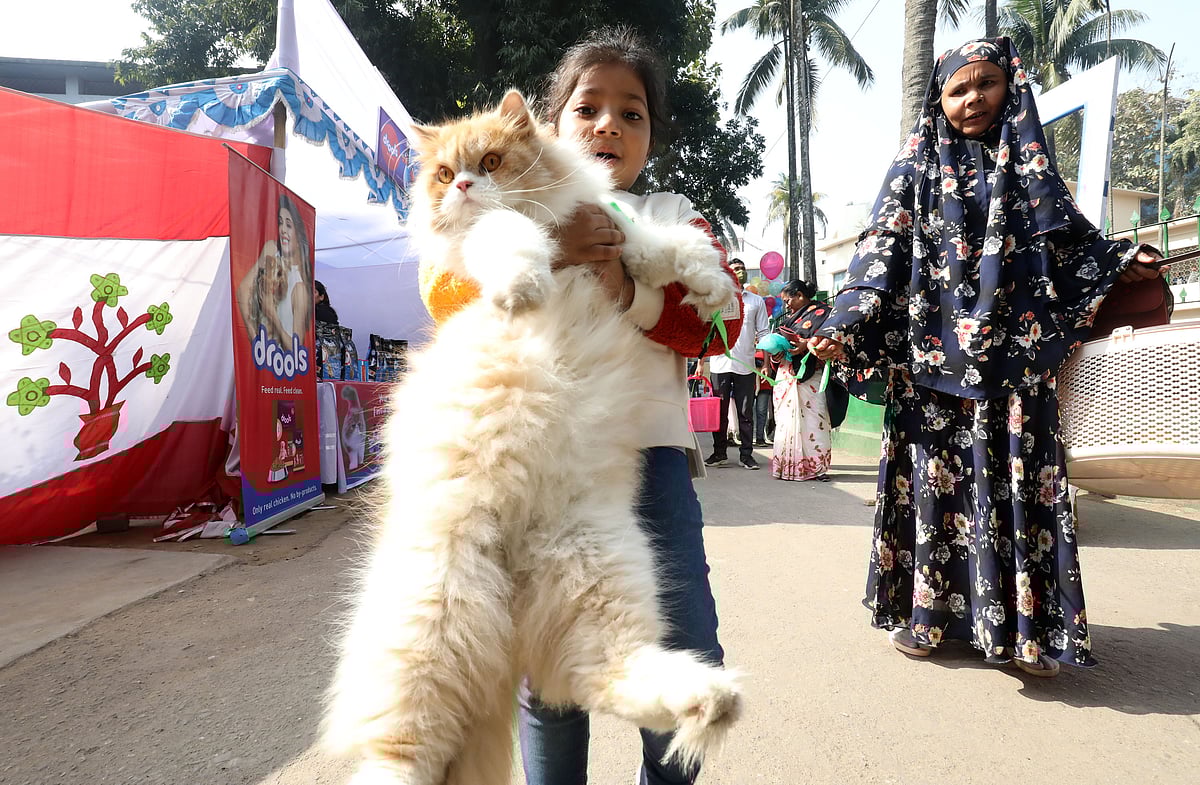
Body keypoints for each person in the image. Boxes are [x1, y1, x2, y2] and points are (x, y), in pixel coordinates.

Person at [414, 27, 744, 784]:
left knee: (685, 643)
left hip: (652, 458)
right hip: (538, 462)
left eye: (632, 114)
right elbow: (445, 294)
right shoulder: (509, 210)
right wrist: (555, 246)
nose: (608, 126)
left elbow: (714, 322)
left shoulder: (671, 208)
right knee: (551, 674)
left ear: (652, 136)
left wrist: (624, 287)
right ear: (545, 129)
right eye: (588, 107)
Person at [807, 37, 1164, 677]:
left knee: (1018, 489)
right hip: (928, 370)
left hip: (1017, 371)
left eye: (987, 84)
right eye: (957, 89)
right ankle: (927, 619)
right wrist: (846, 323)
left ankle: (1030, 636)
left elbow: (1074, 244)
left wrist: (1119, 263)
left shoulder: (1030, 171)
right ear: (937, 100)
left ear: (1011, 87)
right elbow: (878, 254)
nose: (972, 99)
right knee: (932, 496)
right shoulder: (911, 170)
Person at [764, 279, 832, 482]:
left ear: (800, 295)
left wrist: (805, 345)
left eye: (788, 300)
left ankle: (817, 468)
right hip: (787, 374)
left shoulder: (824, 313)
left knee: (814, 420)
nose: (786, 305)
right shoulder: (788, 319)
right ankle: (787, 466)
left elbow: (829, 337)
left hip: (811, 376)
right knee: (786, 421)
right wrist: (777, 354)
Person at [706, 258, 770, 470]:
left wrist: (766, 363)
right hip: (719, 364)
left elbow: (764, 334)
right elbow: (707, 333)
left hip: (746, 365)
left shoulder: (755, 301)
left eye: (742, 269)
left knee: (746, 412)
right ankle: (719, 452)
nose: (739, 272)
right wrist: (700, 362)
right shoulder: (717, 299)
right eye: (735, 269)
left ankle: (746, 455)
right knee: (719, 412)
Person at [235, 194, 314, 352]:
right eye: (280, 222)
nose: (283, 230)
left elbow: (295, 349)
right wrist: (253, 335)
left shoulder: (300, 288)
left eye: (289, 225)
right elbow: (243, 289)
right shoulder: (271, 249)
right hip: (259, 355)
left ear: (299, 233)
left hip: (279, 364)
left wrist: (272, 315)